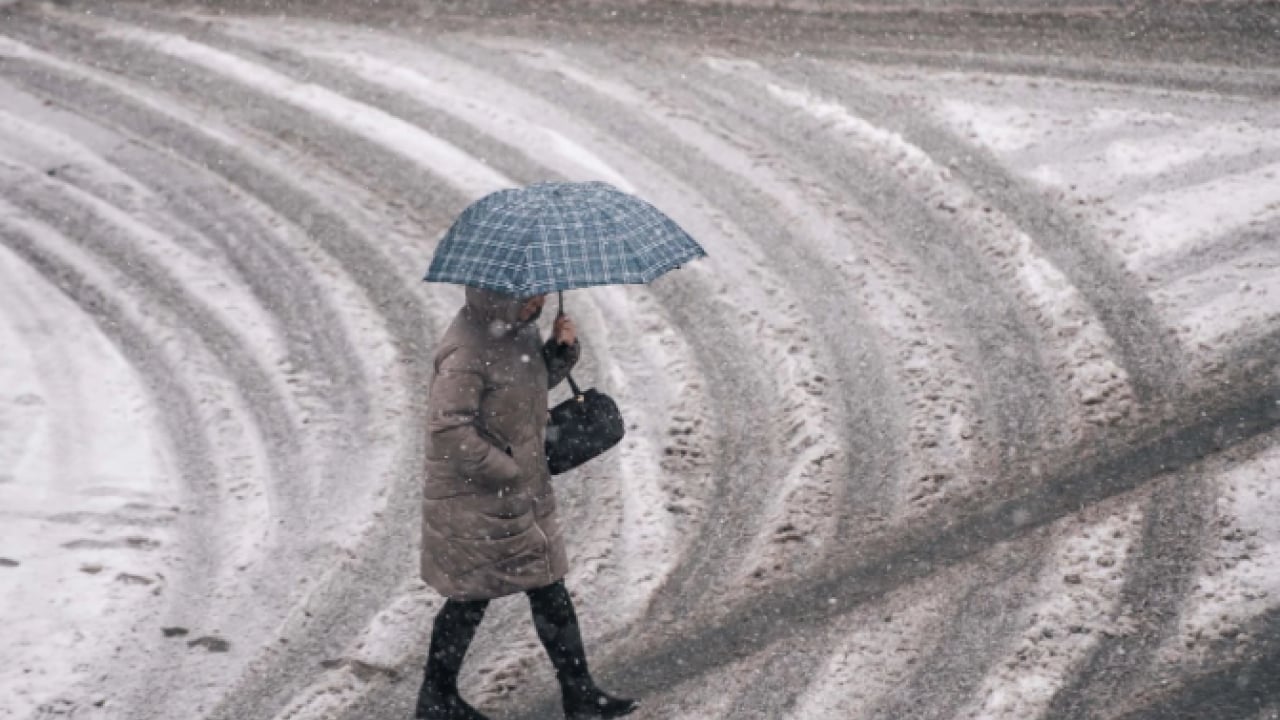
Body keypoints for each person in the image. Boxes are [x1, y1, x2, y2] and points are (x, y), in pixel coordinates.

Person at [416, 288, 639, 720]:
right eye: (531, 295)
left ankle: (577, 692)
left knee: (543, 588)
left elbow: (523, 390)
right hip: (480, 498)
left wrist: (559, 351)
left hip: (516, 496)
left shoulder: (516, 332)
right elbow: (448, 429)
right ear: (503, 292)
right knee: (473, 596)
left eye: (541, 293)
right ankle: (438, 699)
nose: (539, 300)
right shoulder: (467, 349)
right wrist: (508, 467)